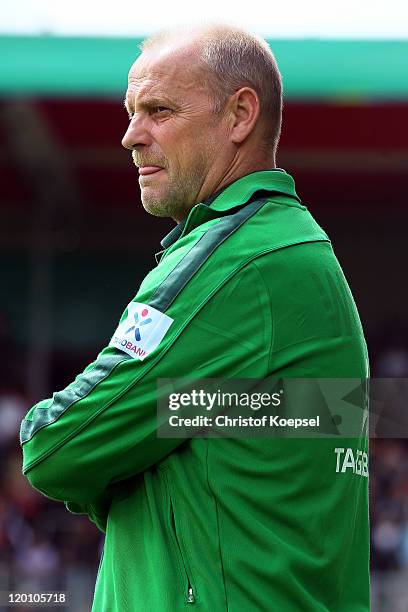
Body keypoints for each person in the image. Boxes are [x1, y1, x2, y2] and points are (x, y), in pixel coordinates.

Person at [20, 25, 370, 611]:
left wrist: (119, 461)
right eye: (131, 112)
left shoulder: (236, 260)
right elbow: (219, 430)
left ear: (239, 116)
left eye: (159, 110)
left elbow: (58, 445)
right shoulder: (297, 252)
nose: (131, 136)